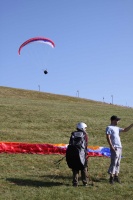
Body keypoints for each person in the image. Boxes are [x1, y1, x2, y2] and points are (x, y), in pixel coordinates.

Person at [106, 115, 133, 184]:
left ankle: (116, 176)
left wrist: (131, 125)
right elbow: (108, 137)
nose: (118, 121)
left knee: (118, 162)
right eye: (116, 120)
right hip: (114, 147)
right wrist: (111, 146)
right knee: (114, 162)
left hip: (119, 147)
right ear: (112, 120)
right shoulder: (109, 127)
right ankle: (111, 177)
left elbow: (125, 130)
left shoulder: (117, 128)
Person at [67, 122, 89, 187]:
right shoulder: (84, 135)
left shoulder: (73, 134)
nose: (85, 129)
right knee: (83, 168)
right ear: (82, 128)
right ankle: (85, 182)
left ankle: (75, 183)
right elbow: (86, 145)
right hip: (82, 153)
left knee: (75, 168)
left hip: (73, 153)